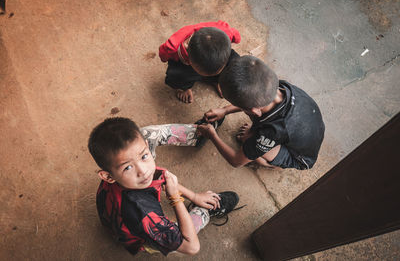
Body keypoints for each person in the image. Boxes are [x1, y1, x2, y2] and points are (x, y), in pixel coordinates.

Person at [88, 117, 240, 256]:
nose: (143, 171)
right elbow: (191, 247)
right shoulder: (143, 213)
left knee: (147, 133)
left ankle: (199, 133)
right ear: (107, 176)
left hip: (116, 215)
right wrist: (175, 198)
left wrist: (194, 196)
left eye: (144, 156)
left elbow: (162, 177)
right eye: (128, 167)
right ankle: (205, 211)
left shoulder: (120, 176)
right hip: (139, 235)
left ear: (147, 147)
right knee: (182, 234)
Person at [197, 55, 325, 170]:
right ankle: (256, 143)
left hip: (299, 157)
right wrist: (225, 110)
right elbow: (253, 104)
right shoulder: (276, 86)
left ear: (254, 110)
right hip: (305, 127)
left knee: (250, 141)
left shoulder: (273, 132)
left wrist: (212, 135)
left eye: (240, 107)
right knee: (253, 138)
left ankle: (270, 165)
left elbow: (236, 161)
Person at [159, 21, 241, 103]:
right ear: (190, 62)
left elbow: (235, 35)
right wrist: (165, 57)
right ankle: (184, 87)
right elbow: (163, 53)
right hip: (184, 63)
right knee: (175, 75)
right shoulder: (174, 47)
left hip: (217, 54)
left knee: (234, 62)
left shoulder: (226, 33)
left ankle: (216, 79)